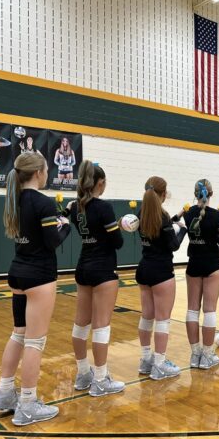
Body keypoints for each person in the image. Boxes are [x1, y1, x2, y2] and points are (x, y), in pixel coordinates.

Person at [0, 152, 70, 425]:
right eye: (47, 169)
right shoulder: (42, 202)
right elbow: (52, 241)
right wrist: (66, 226)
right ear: (38, 173)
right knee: (35, 342)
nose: (48, 173)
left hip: (18, 272)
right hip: (39, 277)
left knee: (18, 335)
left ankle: (4, 393)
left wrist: (57, 221)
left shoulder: (16, 198)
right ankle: (27, 404)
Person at [69, 161, 125, 396]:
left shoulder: (74, 207)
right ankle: (100, 379)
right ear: (99, 183)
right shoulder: (104, 208)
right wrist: (120, 227)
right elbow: (117, 242)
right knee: (101, 325)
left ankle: (83, 374)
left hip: (83, 267)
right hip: (103, 269)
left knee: (81, 324)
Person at [136, 177, 187, 380]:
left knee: (146, 316)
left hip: (144, 268)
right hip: (161, 272)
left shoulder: (141, 213)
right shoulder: (162, 217)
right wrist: (183, 230)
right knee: (163, 320)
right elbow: (173, 244)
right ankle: (159, 364)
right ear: (163, 194)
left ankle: (146, 359)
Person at [181, 179, 219, 369]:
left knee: (192, 309)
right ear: (211, 194)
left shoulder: (188, 213)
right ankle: (207, 356)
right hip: (211, 265)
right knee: (209, 310)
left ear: (195, 194)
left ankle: (195, 355)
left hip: (193, 264)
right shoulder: (217, 216)